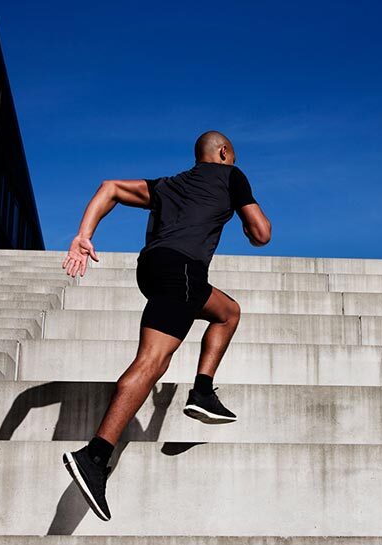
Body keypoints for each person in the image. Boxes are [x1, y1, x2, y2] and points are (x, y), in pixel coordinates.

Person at [60, 130, 272, 521]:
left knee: (227, 312)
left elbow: (110, 188)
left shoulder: (168, 185)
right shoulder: (230, 176)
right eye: (232, 155)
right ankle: (94, 456)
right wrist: (244, 223)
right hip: (184, 269)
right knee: (153, 360)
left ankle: (203, 391)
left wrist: (83, 236)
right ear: (224, 152)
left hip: (153, 269)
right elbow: (261, 233)